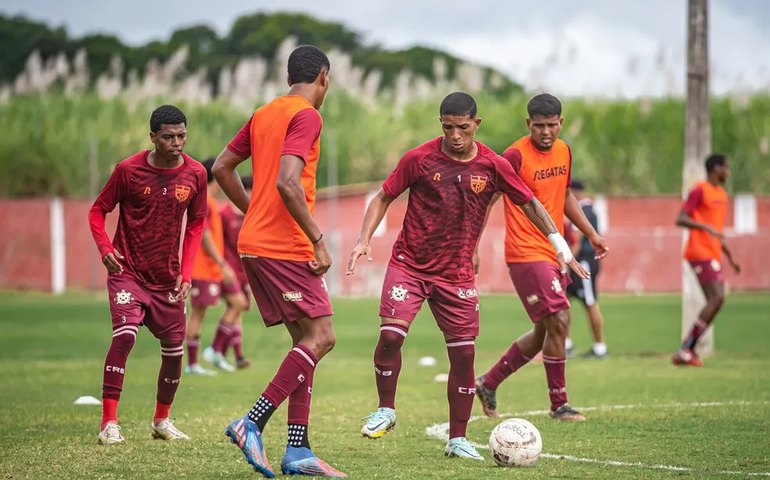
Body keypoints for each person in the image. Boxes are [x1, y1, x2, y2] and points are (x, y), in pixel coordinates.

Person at [347, 92, 588, 461]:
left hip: (456, 274)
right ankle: (386, 410)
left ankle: (457, 439)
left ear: (477, 124)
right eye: (448, 127)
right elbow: (382, 197)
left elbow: (530, 204)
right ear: (440, 123)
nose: (456, 135)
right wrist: (364, 239)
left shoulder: (493, 165)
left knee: (463, 357)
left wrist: (560, 245)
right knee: (391, 335)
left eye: (463, 127)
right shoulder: (419, 158)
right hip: (409, 265)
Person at [212, 45, 346, 478]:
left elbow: (221, 167)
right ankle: (251, 422)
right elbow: (290, 183)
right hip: (285, 246)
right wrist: (319, 240)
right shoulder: (307, 115)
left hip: (257, 242)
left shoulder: (264, 112)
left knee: (304, 342)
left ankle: (298, 450)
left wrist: (252, 211)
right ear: (323, 76)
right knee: (322, 337)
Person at [474, 93, 609, 422]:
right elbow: (489, 198)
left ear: (560, 123)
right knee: (561, 319)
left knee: (545, 330)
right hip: (524, 252)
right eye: (539, 126)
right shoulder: (515, 155)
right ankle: (559, 404)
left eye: (552, 125)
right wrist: (473, 244)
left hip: (555, 251)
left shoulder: (564, 151)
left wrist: (590, 233)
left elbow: (565, 195)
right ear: (528, 124)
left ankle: (488, 383)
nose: (546, 132)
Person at [88, 104, 207, 445]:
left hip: (168, 280)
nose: (176, 143)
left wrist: (186, 273)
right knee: (124, 336)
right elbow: (98, 210)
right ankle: (109, 422)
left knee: (174, 352)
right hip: (128, 273)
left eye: (182, 136)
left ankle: (162, 420)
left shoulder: (196, 174)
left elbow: (197, 223)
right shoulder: (128, 170)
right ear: (152, 137)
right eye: (168, 137)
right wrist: (105, 250)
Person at [671, 153, 740, 367]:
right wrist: (703, 227)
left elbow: (716, 229)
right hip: (699, 251)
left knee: (716, 300)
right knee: (717, 297)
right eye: (726, 167)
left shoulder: (722, 194)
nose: (728, 171)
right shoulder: (700, 189)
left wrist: (729, 256)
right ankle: (686, 348)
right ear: (716, 168)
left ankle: (686, 350)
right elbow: (681, 218)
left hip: (714, 253)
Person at [185, 158, 246, 375]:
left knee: (238, 302)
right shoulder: (204, 200)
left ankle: (216, 350)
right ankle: (192, 364)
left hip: (214, 269)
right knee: (198, 313)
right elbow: (204, 234)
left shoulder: (211, 201)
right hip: (203, 267)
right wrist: (222, 264)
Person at [564, 179, 608, 358]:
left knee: (590, 302)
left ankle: (599, 347)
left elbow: (577, 239)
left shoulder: (582, 210)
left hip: (584, 262)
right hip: (583, 261)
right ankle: (566, 343)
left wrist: (568, 262)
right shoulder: (591, 209)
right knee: (564, 300)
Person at [218, 175, 254, 369]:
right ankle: (220, 352)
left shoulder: (250, 215)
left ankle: (232, 355)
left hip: (244, 271)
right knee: (236, 306)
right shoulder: (223, 214)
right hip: (227, 271)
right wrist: (221, 265)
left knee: (239, 309)